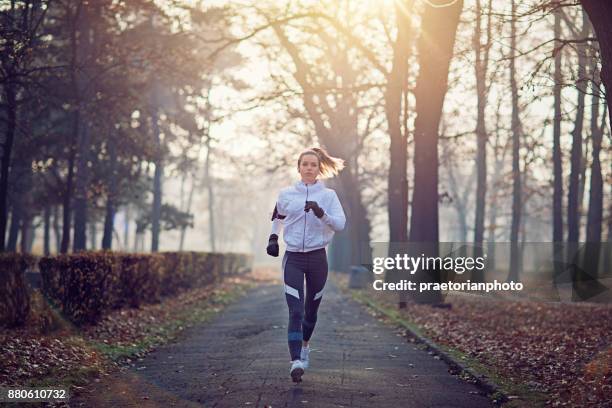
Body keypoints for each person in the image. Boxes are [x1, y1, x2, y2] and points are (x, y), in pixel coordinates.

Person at [266, 147, 346, 383]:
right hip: (293, 258)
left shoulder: (329, 196)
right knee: (296, 310)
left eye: (313, 164)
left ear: (319, 168)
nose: (309, 168)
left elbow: (340, 225)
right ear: (299, 167)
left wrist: (321, 214)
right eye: (305, 164)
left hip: (318, 258)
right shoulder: (286, 194)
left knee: (311, 311)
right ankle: (295, 361)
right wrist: (272, 239)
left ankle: (305, 346)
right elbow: (278, 218)